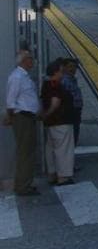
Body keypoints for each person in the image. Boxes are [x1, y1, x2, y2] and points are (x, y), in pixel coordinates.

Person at [3, 50, 41, 196]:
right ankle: (23, 186)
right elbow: (11, 100)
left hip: (27, 118)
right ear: (24, 61)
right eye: (30, 59)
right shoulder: (17, 77)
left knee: (27, 152)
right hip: (22, 119)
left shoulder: (24, 76)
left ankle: (24, 184)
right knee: (25, 153)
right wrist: (10, 117)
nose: (33, 61)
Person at [40, 59, 76, 186]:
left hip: (52, 123)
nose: (63, 73)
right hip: (61, 122)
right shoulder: (55, 84)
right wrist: (46, 115)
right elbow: (55, 103)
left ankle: (52, 174)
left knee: (51, 148)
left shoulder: (46, 84)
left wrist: (46, 117)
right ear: (55, 72)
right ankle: (63, 177)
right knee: (63, 149)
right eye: (61, 71)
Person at [61, 57, 83, 146]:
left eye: (74, 67)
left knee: (75, 133)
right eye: (70, 66)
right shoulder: (65, 80)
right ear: (64, 68)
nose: (73, 69)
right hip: (71, 111)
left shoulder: (72, 79)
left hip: (75, 111)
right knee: (73, 135)